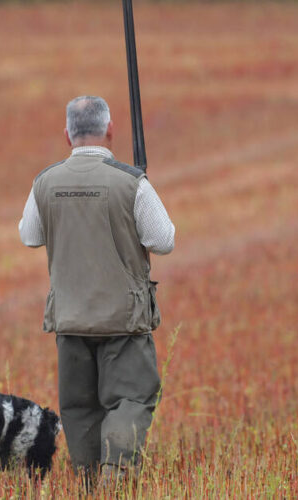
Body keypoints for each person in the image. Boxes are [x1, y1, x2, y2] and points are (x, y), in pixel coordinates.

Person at [18, 95, 175, 488]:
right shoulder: (130, 182)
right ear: (110, 129)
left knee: (79, 408)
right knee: (132, 400)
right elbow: (164, 239)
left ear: (67, 134)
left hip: (70, 320)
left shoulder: (46, 181)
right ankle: (116, 476)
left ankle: (88, 483)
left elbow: (29, 236)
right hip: (123, 322)